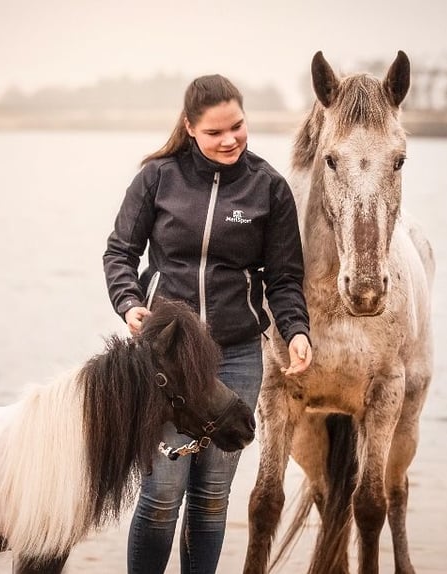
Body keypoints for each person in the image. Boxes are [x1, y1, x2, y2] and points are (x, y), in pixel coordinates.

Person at [103, 73, 312, 574]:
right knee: (160, 494)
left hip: (238, 356)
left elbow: (284, 278)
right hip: (167, 359)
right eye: (215, 131)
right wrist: (130, 302)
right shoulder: (158, 177)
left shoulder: (269, 188)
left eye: (237, 126)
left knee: (213, 497)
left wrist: (297, 329)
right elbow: (120, 253)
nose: (230, 139)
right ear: (190, 128)